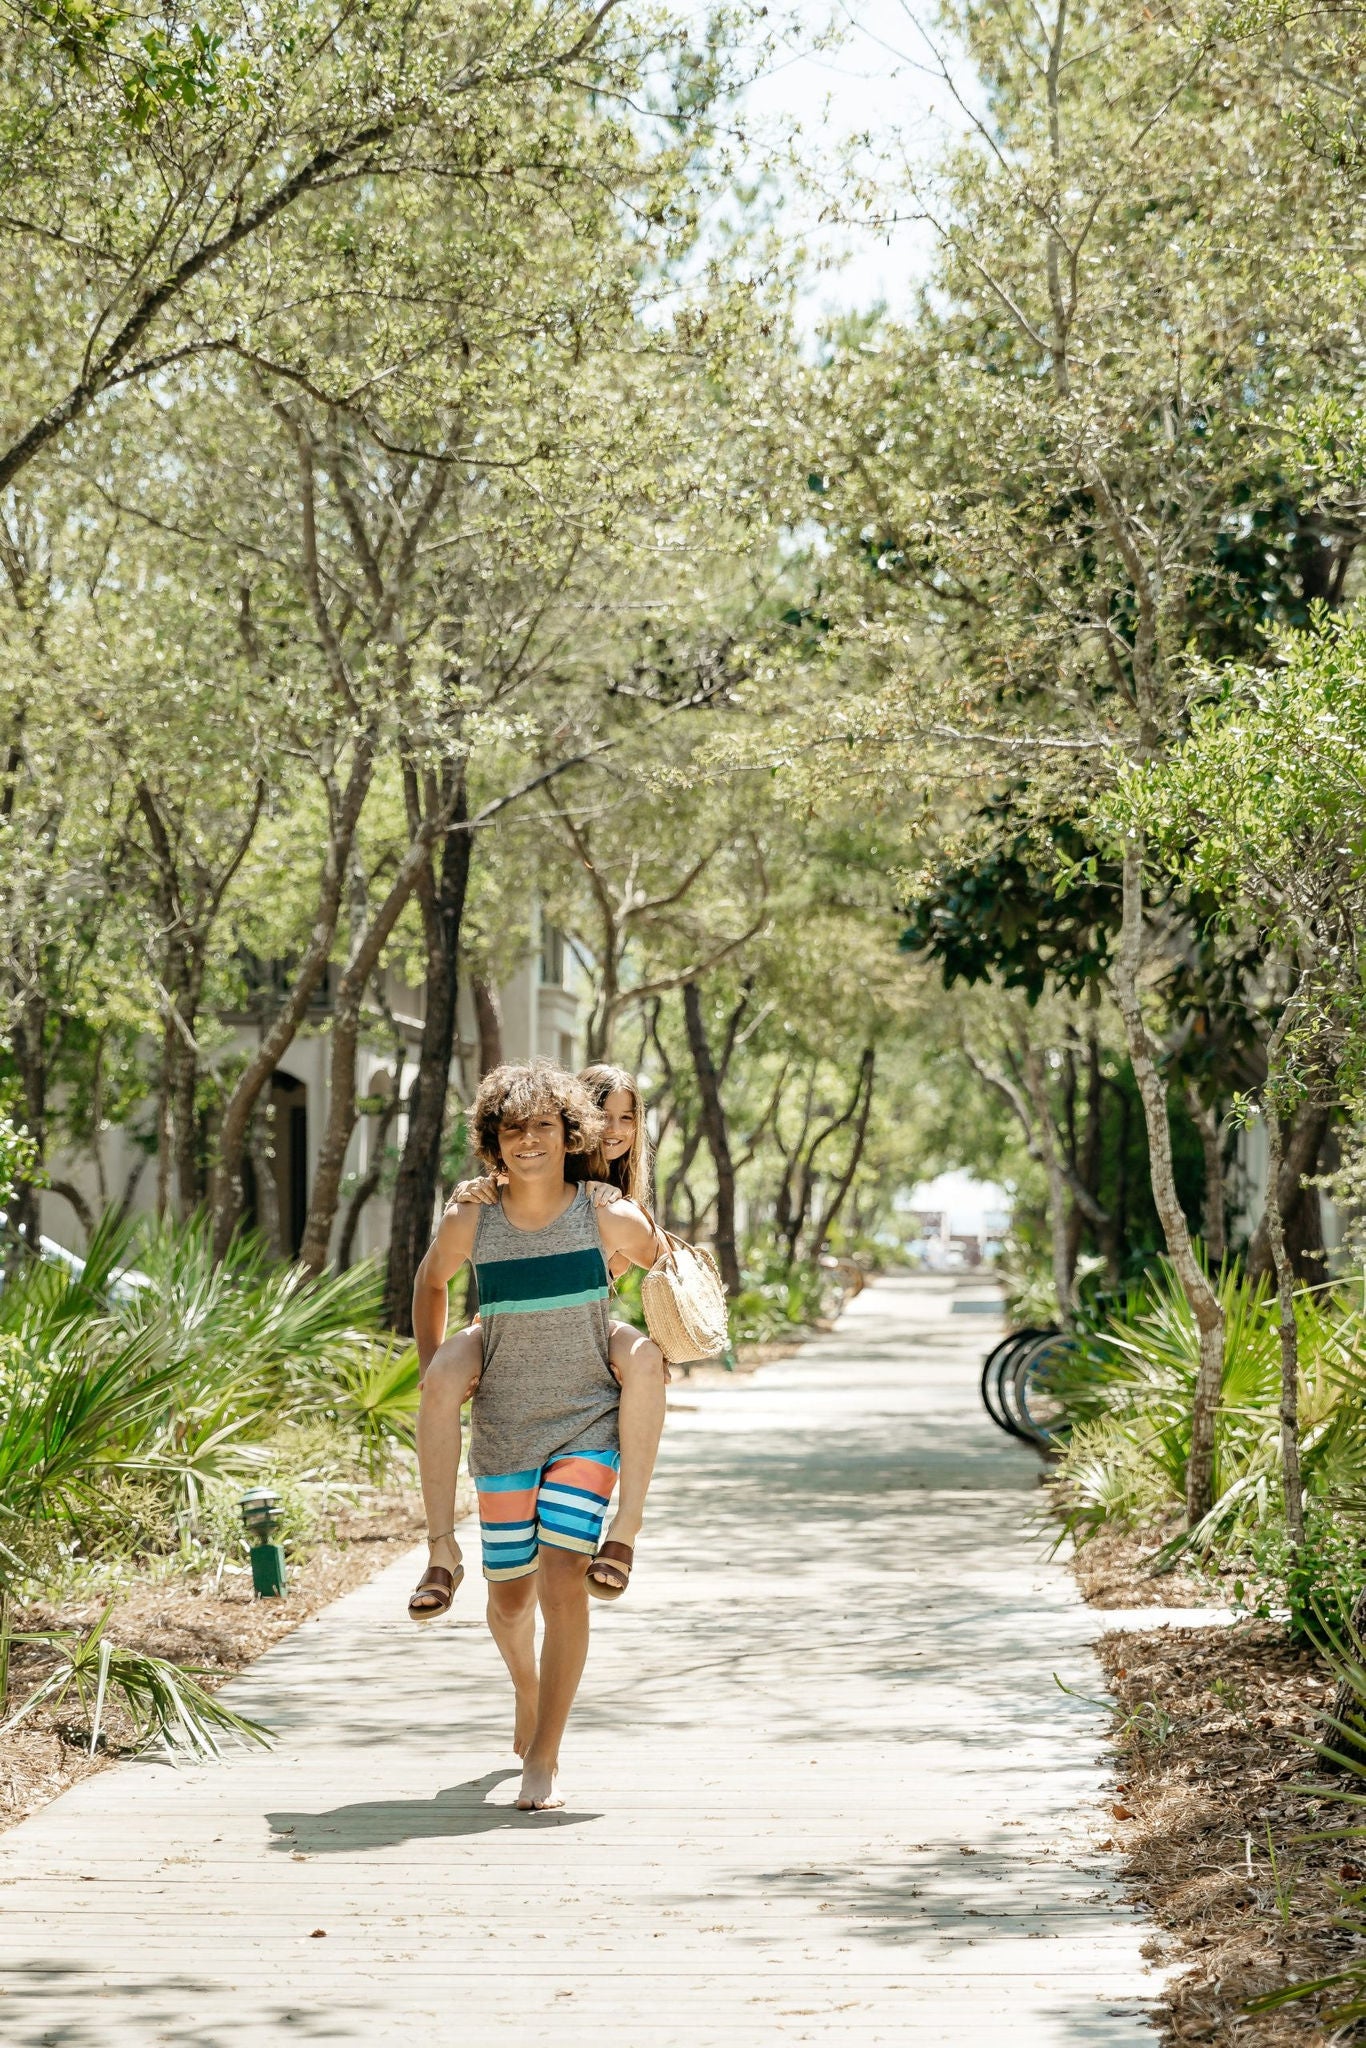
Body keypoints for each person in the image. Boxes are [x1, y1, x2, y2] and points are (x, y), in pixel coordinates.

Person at [408, 1061, 664, 1812]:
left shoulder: (607, 1207)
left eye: (543, 1129)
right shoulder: (473, 1216)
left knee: (562, 1584)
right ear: (492, 1142)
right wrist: (442, 1368)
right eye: (512, 1131)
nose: (528, 1143)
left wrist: (655, 1346)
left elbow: (673, 1266)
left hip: (586, 1414)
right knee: (512, 1601)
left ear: (567, 1134)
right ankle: (525, 1685)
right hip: (506, 1424)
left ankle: (545, 1756)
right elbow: (430, 1281)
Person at [434, 1061, 667, 1601]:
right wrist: (474, 1190)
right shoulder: (545, 1169)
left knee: (644, 1360)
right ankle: (441, 1545)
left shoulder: (614, 1197)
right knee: (447, 1372)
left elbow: (657, 1263)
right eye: (604, 1115)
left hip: (583, 1325)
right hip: (516, 1323)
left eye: (627, 1118)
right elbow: (501, 1199)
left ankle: (625, 1530)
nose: (615, 1129)